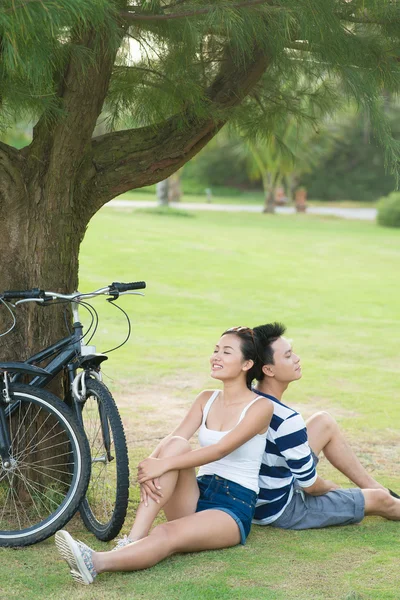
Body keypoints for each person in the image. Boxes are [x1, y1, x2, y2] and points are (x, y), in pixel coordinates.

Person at [55, 326, 273, 585]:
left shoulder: (261, 406)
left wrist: (162, 465)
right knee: (177, 444)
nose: (216, 357)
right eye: (215, 350)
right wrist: (150, 465)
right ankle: (134, 538)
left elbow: (220, 450)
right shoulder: (207, 398)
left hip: (232, 506)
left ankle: (95, 563)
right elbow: (173, 438)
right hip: (198, 492)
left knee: (167, 532)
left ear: (247, 363)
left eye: (226, 352)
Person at [251, 322, 400, 530]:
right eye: (288, 355)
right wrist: (332, 488)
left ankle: (376, 486)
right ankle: (384, 496)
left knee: (324, 421)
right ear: (268, 369)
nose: (296, 358)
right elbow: (310, 487)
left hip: (257, 496)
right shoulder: (286, 418)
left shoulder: (249, 396)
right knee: (379, 501)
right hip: (280, 509)